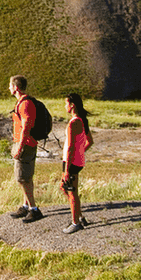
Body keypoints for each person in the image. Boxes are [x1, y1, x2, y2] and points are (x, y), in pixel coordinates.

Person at [8, 75, 43, 222]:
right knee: (26, 177)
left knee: (22, 178)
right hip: (27, 143)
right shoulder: (22, 103)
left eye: (10, 85)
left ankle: (34, 209)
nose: (8, 88)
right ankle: (26, 206)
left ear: (16, 87)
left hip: (26, 144)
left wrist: (19, 148)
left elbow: (26, 128)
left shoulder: (25, 104)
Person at [59, 93, 94, 233]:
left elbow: (71, 147)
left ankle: (75, 223)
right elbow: (89, 142)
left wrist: (67, 170)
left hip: (70, 162)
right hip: (77, 161)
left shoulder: (73, 123)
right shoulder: (82, 120)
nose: (65, 106)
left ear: (72, 105)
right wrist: (81, 152)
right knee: (64, 187)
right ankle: (79, 215)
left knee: (71, 192)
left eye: (66, 103)